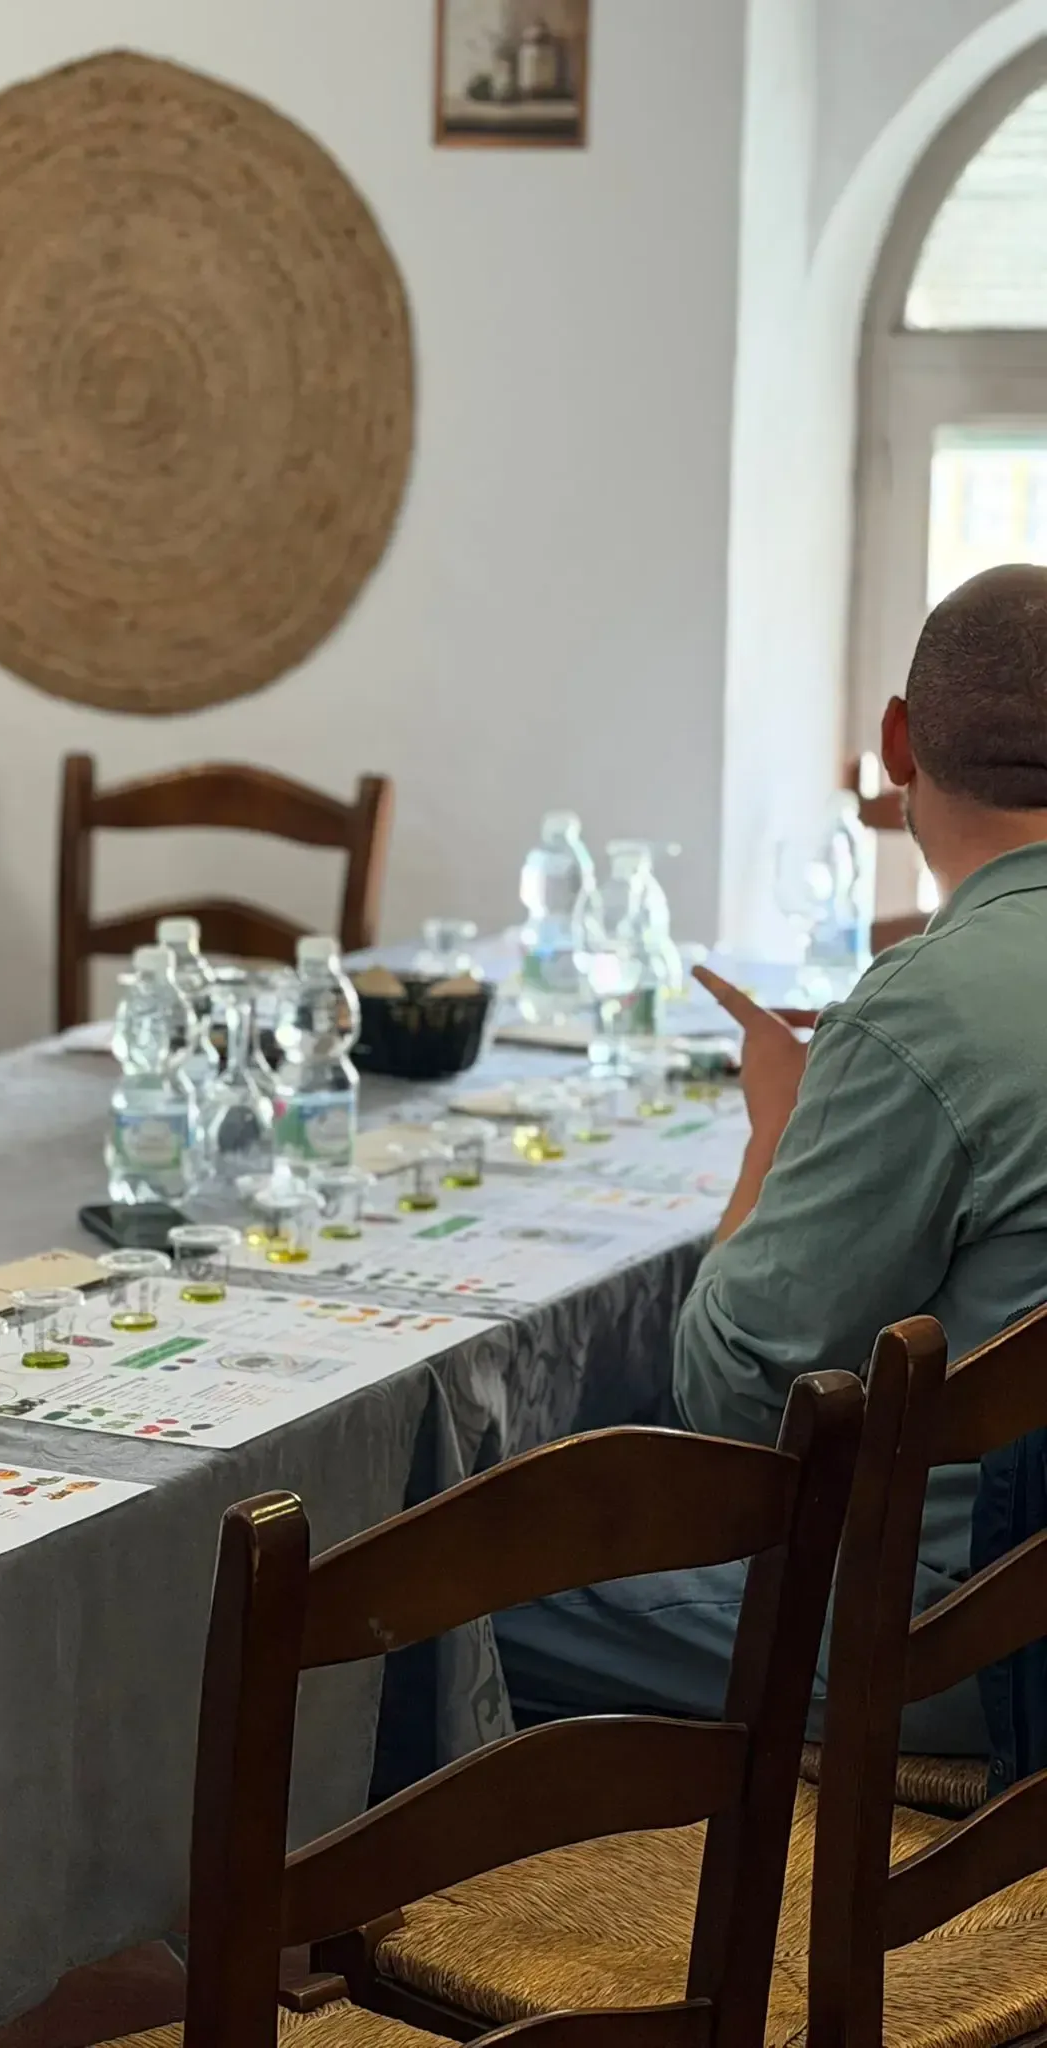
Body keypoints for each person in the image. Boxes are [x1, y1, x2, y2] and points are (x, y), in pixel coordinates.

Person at [497, 561, 1047, 1755]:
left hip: (973, 1643)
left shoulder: (930, 1010)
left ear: (896, 744)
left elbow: (736, 1403)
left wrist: (778, 1127)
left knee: (435, 1604)